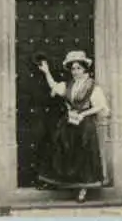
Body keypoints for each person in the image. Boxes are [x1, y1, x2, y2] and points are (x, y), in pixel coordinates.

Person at [35, 51, 109, 202]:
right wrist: (47, 72)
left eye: (78, 68)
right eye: (73, 69)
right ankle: (62, 183)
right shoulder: (69, 85)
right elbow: (54, 86)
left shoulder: (92, 86)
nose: (75, 71)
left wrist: (84, 114)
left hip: (85, 124)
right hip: (70, 123)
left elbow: (100, 106)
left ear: (85, 69)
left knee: (84, 155)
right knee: (63, 150)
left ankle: (83, 189)